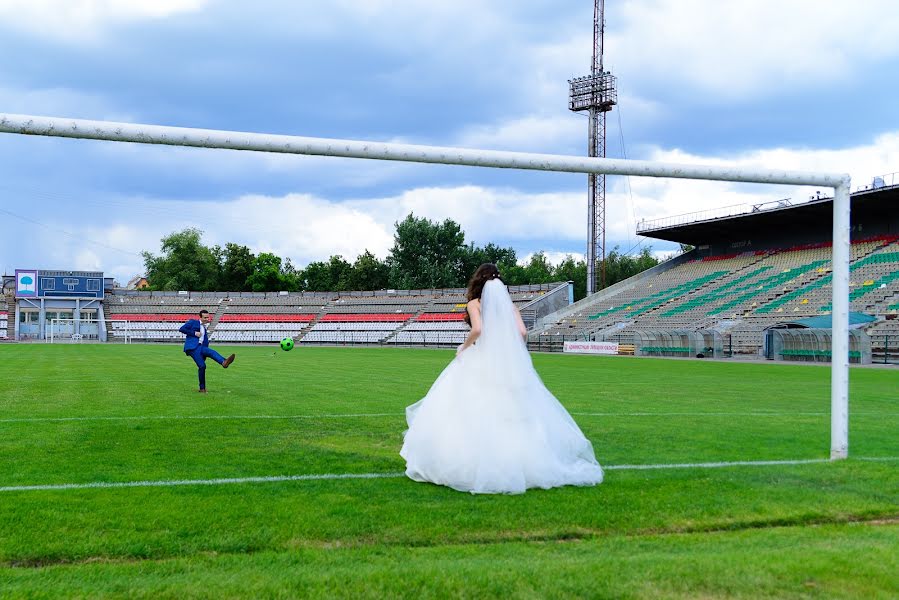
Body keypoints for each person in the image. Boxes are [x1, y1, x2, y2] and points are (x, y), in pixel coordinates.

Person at [400, 263, 603, 494]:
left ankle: (471, 460)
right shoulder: (510, 307)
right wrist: (514, 354)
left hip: (481, 360)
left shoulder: (474, 303)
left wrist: (463, 347)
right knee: (514, 413)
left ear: (478, 281)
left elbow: (478, 330)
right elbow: (523, 333)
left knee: (467, 408)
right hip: (507, 365)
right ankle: (522, 461)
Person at [179, 309, 235, 393]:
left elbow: (205, 340)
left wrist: (205, 352)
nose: (207, 319)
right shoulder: (193, 322)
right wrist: (194, 333)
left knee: (211, 353)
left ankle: (224, 362)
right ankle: (202, 388)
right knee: (202, 366)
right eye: (205, 317)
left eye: (208, 317)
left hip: (202, 347)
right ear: (200, 317)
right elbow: (182, 329)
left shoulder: (204, 328)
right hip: (193, 347)